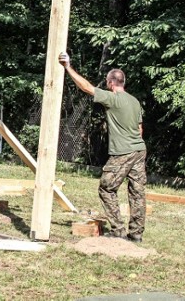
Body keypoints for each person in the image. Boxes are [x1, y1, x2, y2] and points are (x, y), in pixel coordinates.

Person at [58, 52, 147, 242]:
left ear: (110, 83)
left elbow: (87, 88)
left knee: (106, 188)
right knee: (137, 192)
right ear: (123, 82)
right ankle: (136, 235)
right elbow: (140, 129)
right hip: (140, 150)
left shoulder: (113, 98)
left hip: (124, 151)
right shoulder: (134, 101)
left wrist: (67, 67)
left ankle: (118, 231)